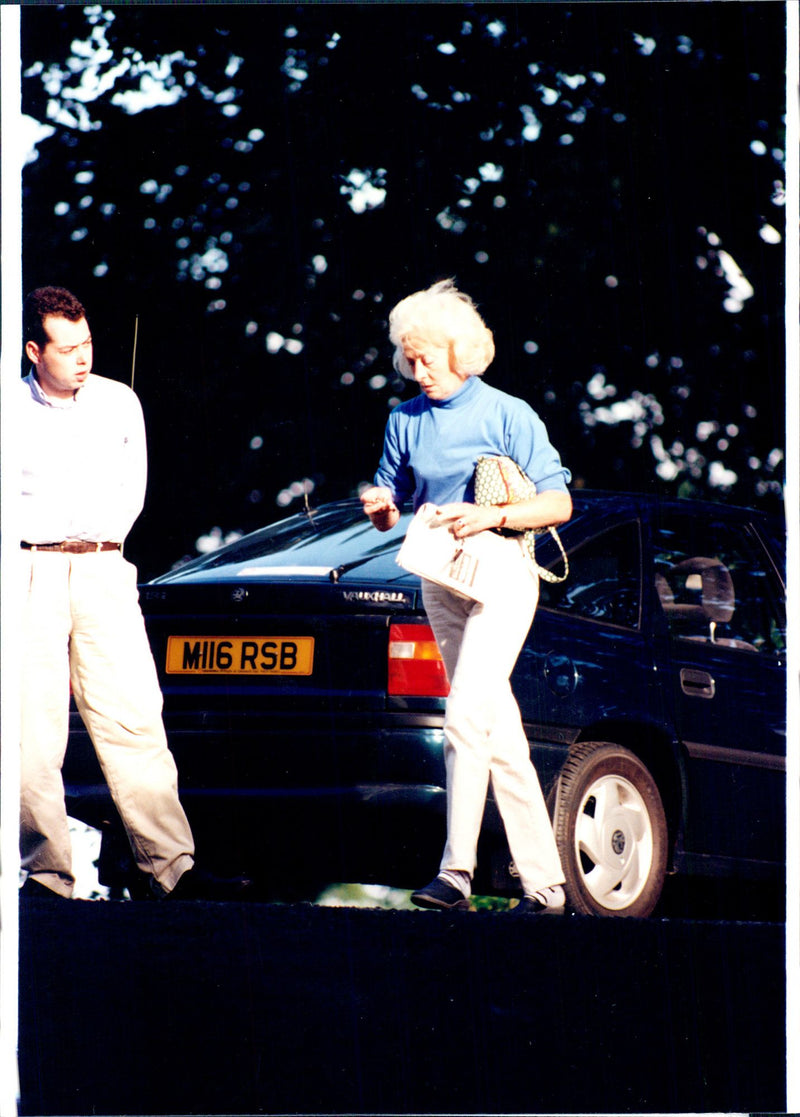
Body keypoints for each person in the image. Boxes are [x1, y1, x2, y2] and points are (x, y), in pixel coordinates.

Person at [18, 286, 248, 901]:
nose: (82, 358)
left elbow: (132, 490)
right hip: (27, 570)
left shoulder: (119, 402)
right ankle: (45, 873)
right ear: (33, 350)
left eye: (87, 343)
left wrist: (103, 550)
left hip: (103, 566)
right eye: (66, 349)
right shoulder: (11, 408)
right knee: (29, 732)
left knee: (134, 717)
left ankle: (170, 867)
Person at [361, 279, 571, 915]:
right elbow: (386, 507)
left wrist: (494, 516)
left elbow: (559, 503)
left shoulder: (509, 413)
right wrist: (379, 507)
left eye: (427, 357)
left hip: (505, 574)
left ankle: (455, 871)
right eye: (408, 357)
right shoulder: (404, 419)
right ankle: (548, 886)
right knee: (495, 732)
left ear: (462, 350)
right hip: (439, 578)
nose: (416, 370)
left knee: (462, 719)